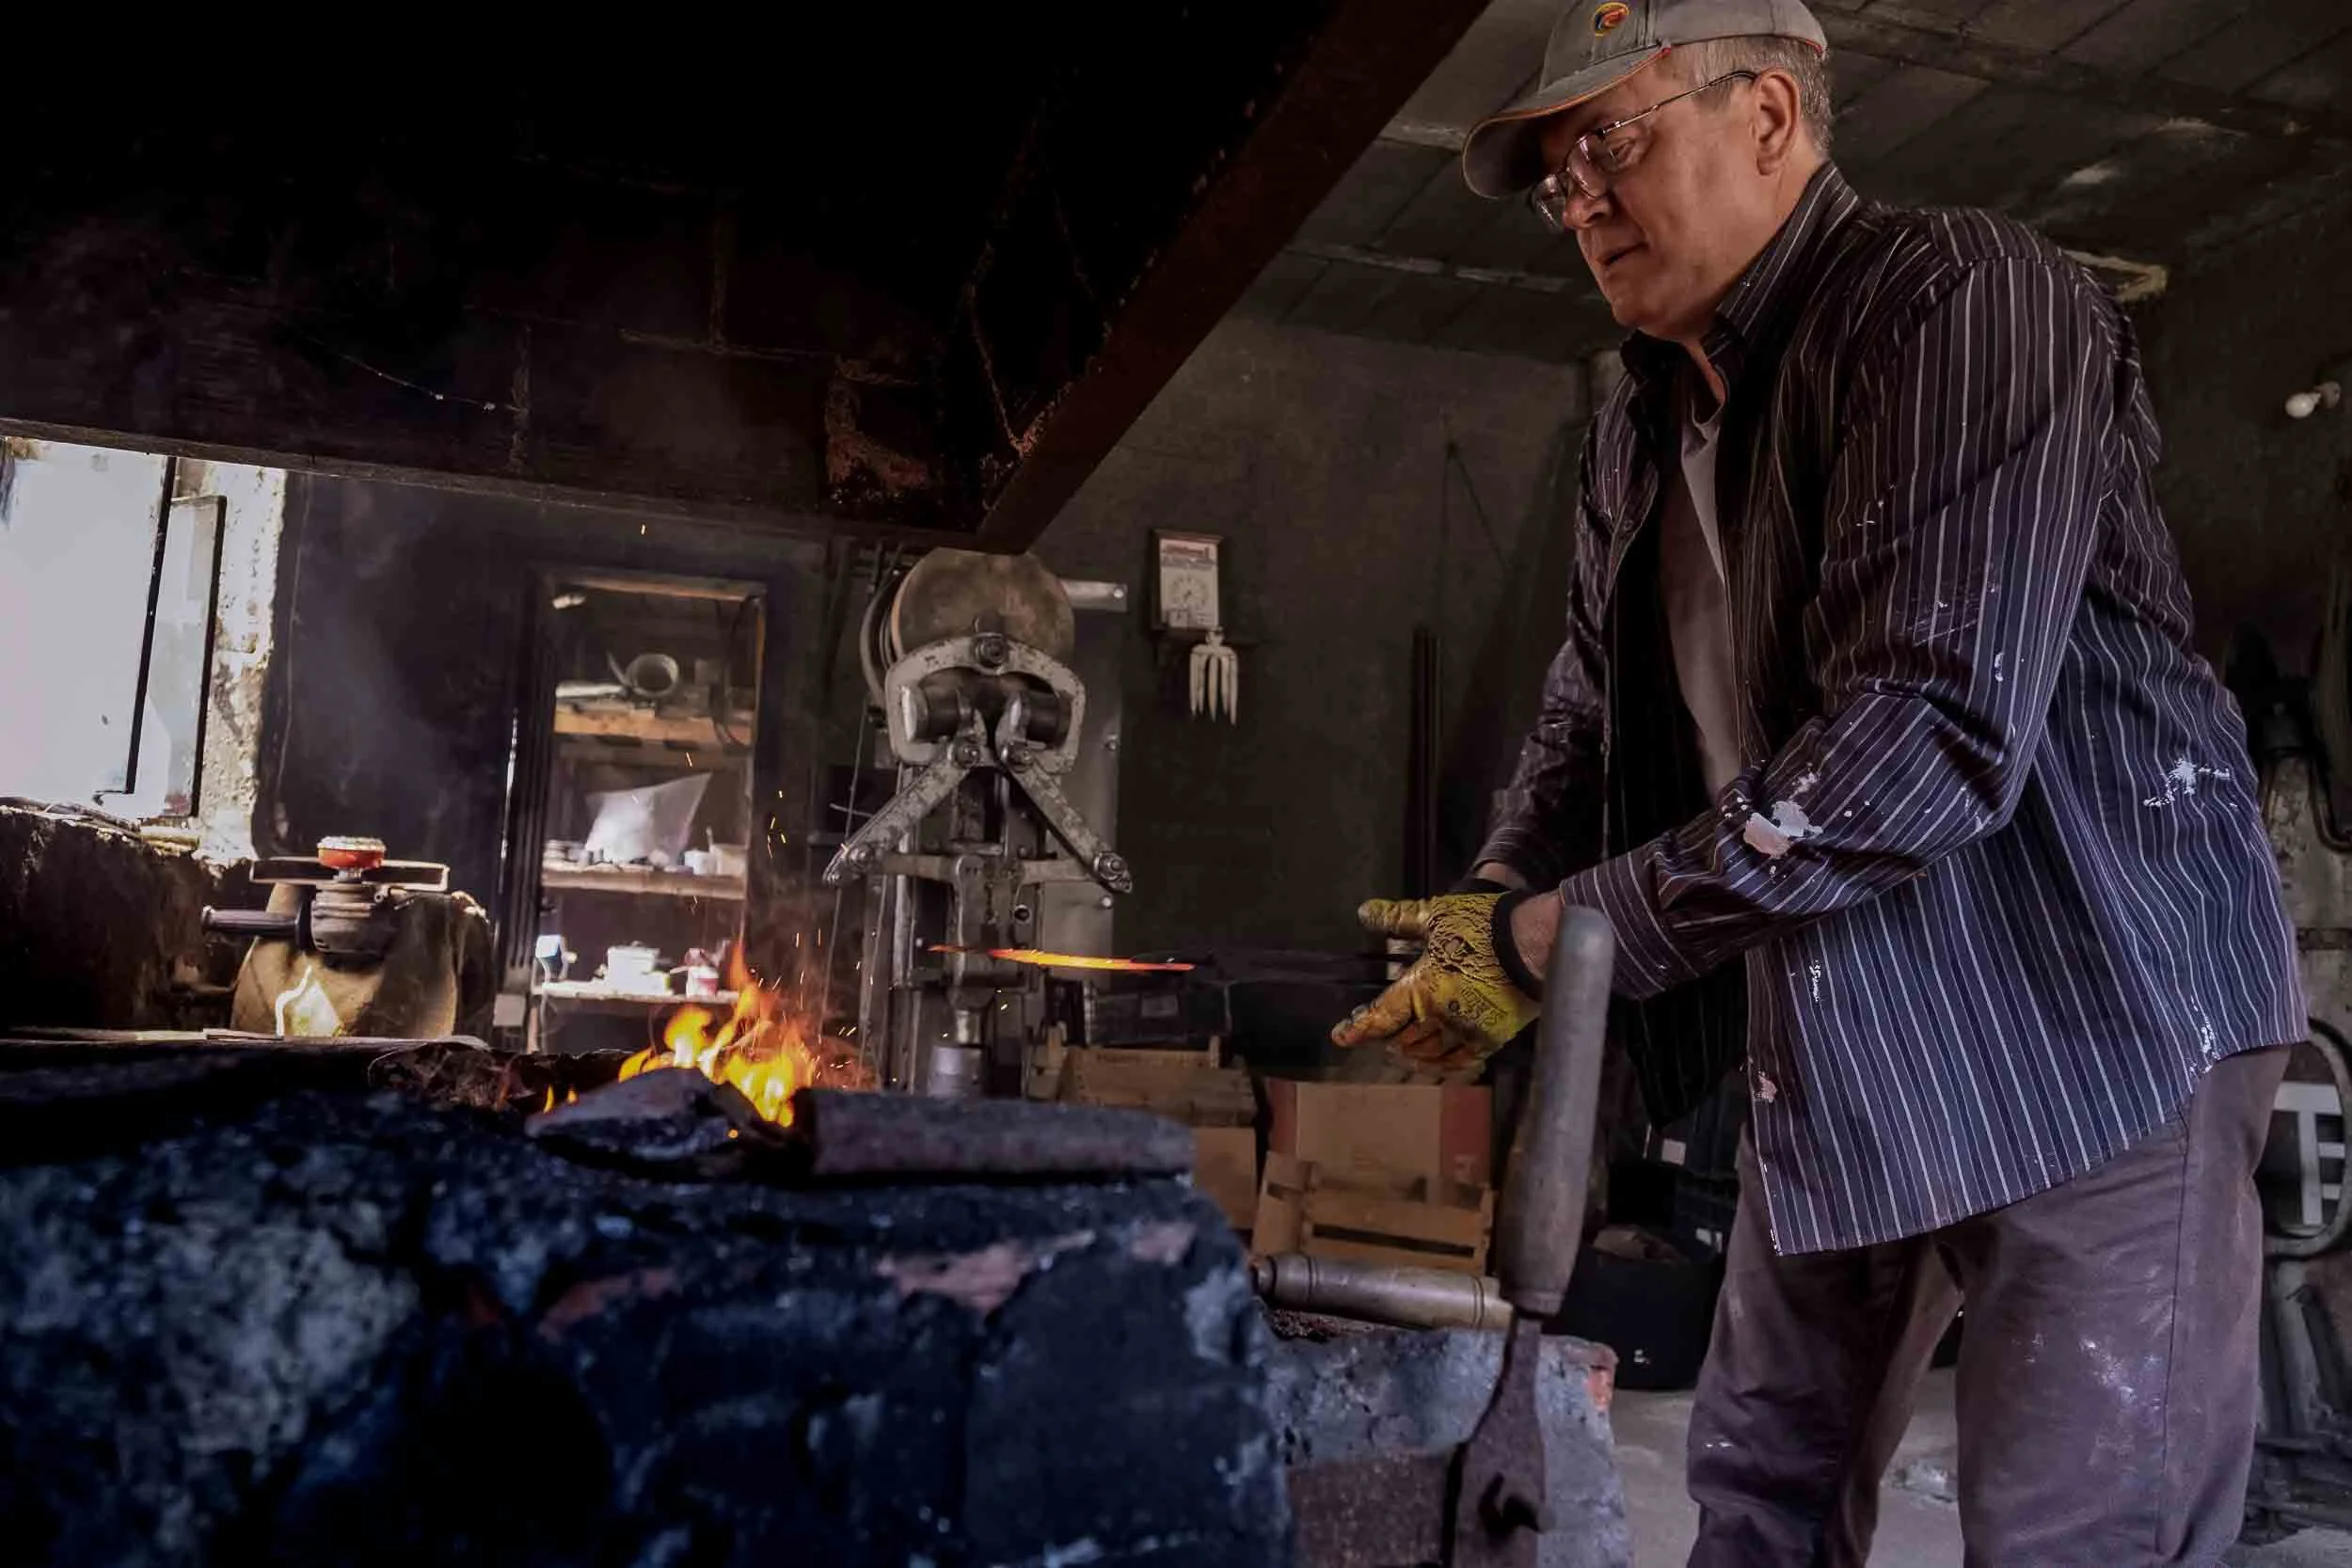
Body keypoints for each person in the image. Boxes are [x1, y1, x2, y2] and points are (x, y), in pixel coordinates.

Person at [1330, 1, 2306, 1561]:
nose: (1577, 198)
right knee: (1761, 1497)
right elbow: (1588, 733)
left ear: (1771, 117)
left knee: (2077, 1530)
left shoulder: (1966, 305)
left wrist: (1574, 939)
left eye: (1609, 144)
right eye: (1558, 177)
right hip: (1853, 1031)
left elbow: (1924, 737)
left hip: (2099, 1019)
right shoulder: (1636, 435)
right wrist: (1491, 920)